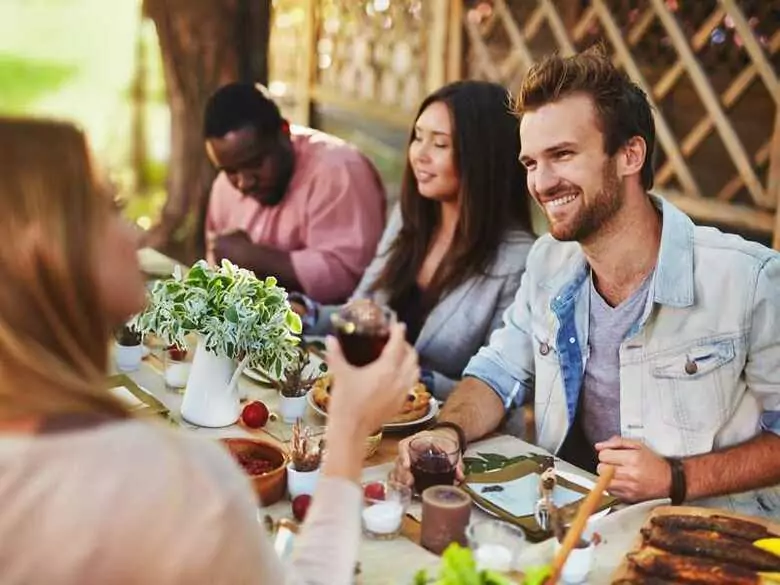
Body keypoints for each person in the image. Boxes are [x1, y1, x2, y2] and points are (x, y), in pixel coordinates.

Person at [0, 118, 418, 584]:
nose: (139, 235)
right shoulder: (169, 481)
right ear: (49, 251)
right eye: (112, 208)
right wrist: (349, 429)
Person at [391, 48, 780, 519]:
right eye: (531, 163)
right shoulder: (548, 261)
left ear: (630, 155)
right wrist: (446, 432)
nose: (542, 182)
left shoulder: (749, 278)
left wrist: (678, 476)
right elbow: (499, 372)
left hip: (706, 535)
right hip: (571, 520)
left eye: (562, 155)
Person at [295, 80, 536, 400]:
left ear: (481, 156)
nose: (419, 155)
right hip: (372, 406)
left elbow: (503, 384)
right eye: (418, 137)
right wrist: (306, 314)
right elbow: (362, 313)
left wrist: (412, 378)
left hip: (448, 430)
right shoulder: (408, 220)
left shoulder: (519, 259)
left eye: (439, 144)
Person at [203, 82, 386, 304]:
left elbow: (351, 279)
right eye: (230, 171)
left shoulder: (339, 170)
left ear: (284, 131)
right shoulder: (224, 187)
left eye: (256, 163)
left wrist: (253, 257)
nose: (244, 183)